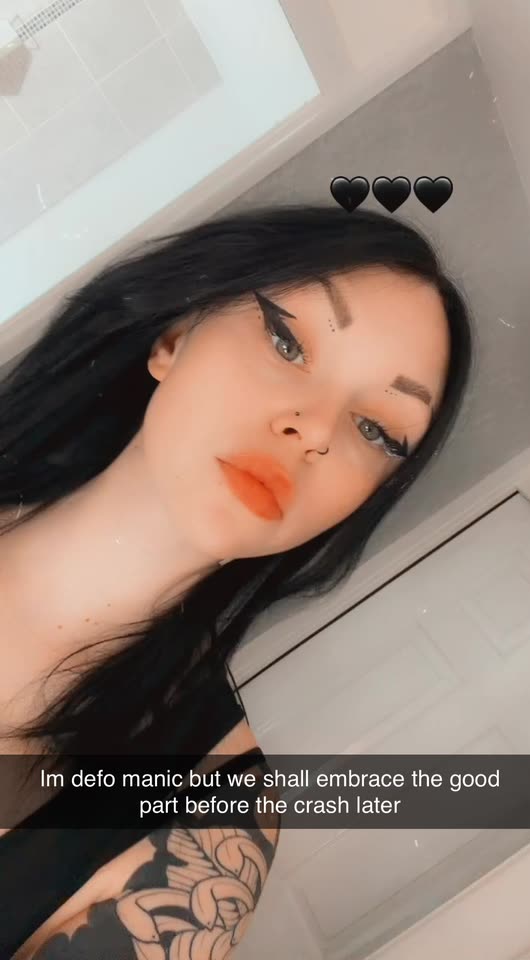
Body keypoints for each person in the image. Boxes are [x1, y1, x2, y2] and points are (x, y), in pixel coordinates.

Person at [0, 203, 473, 958]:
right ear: (174, 337)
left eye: (378, 431)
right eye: (287, 342)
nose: (313, 429)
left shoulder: (213, 824)